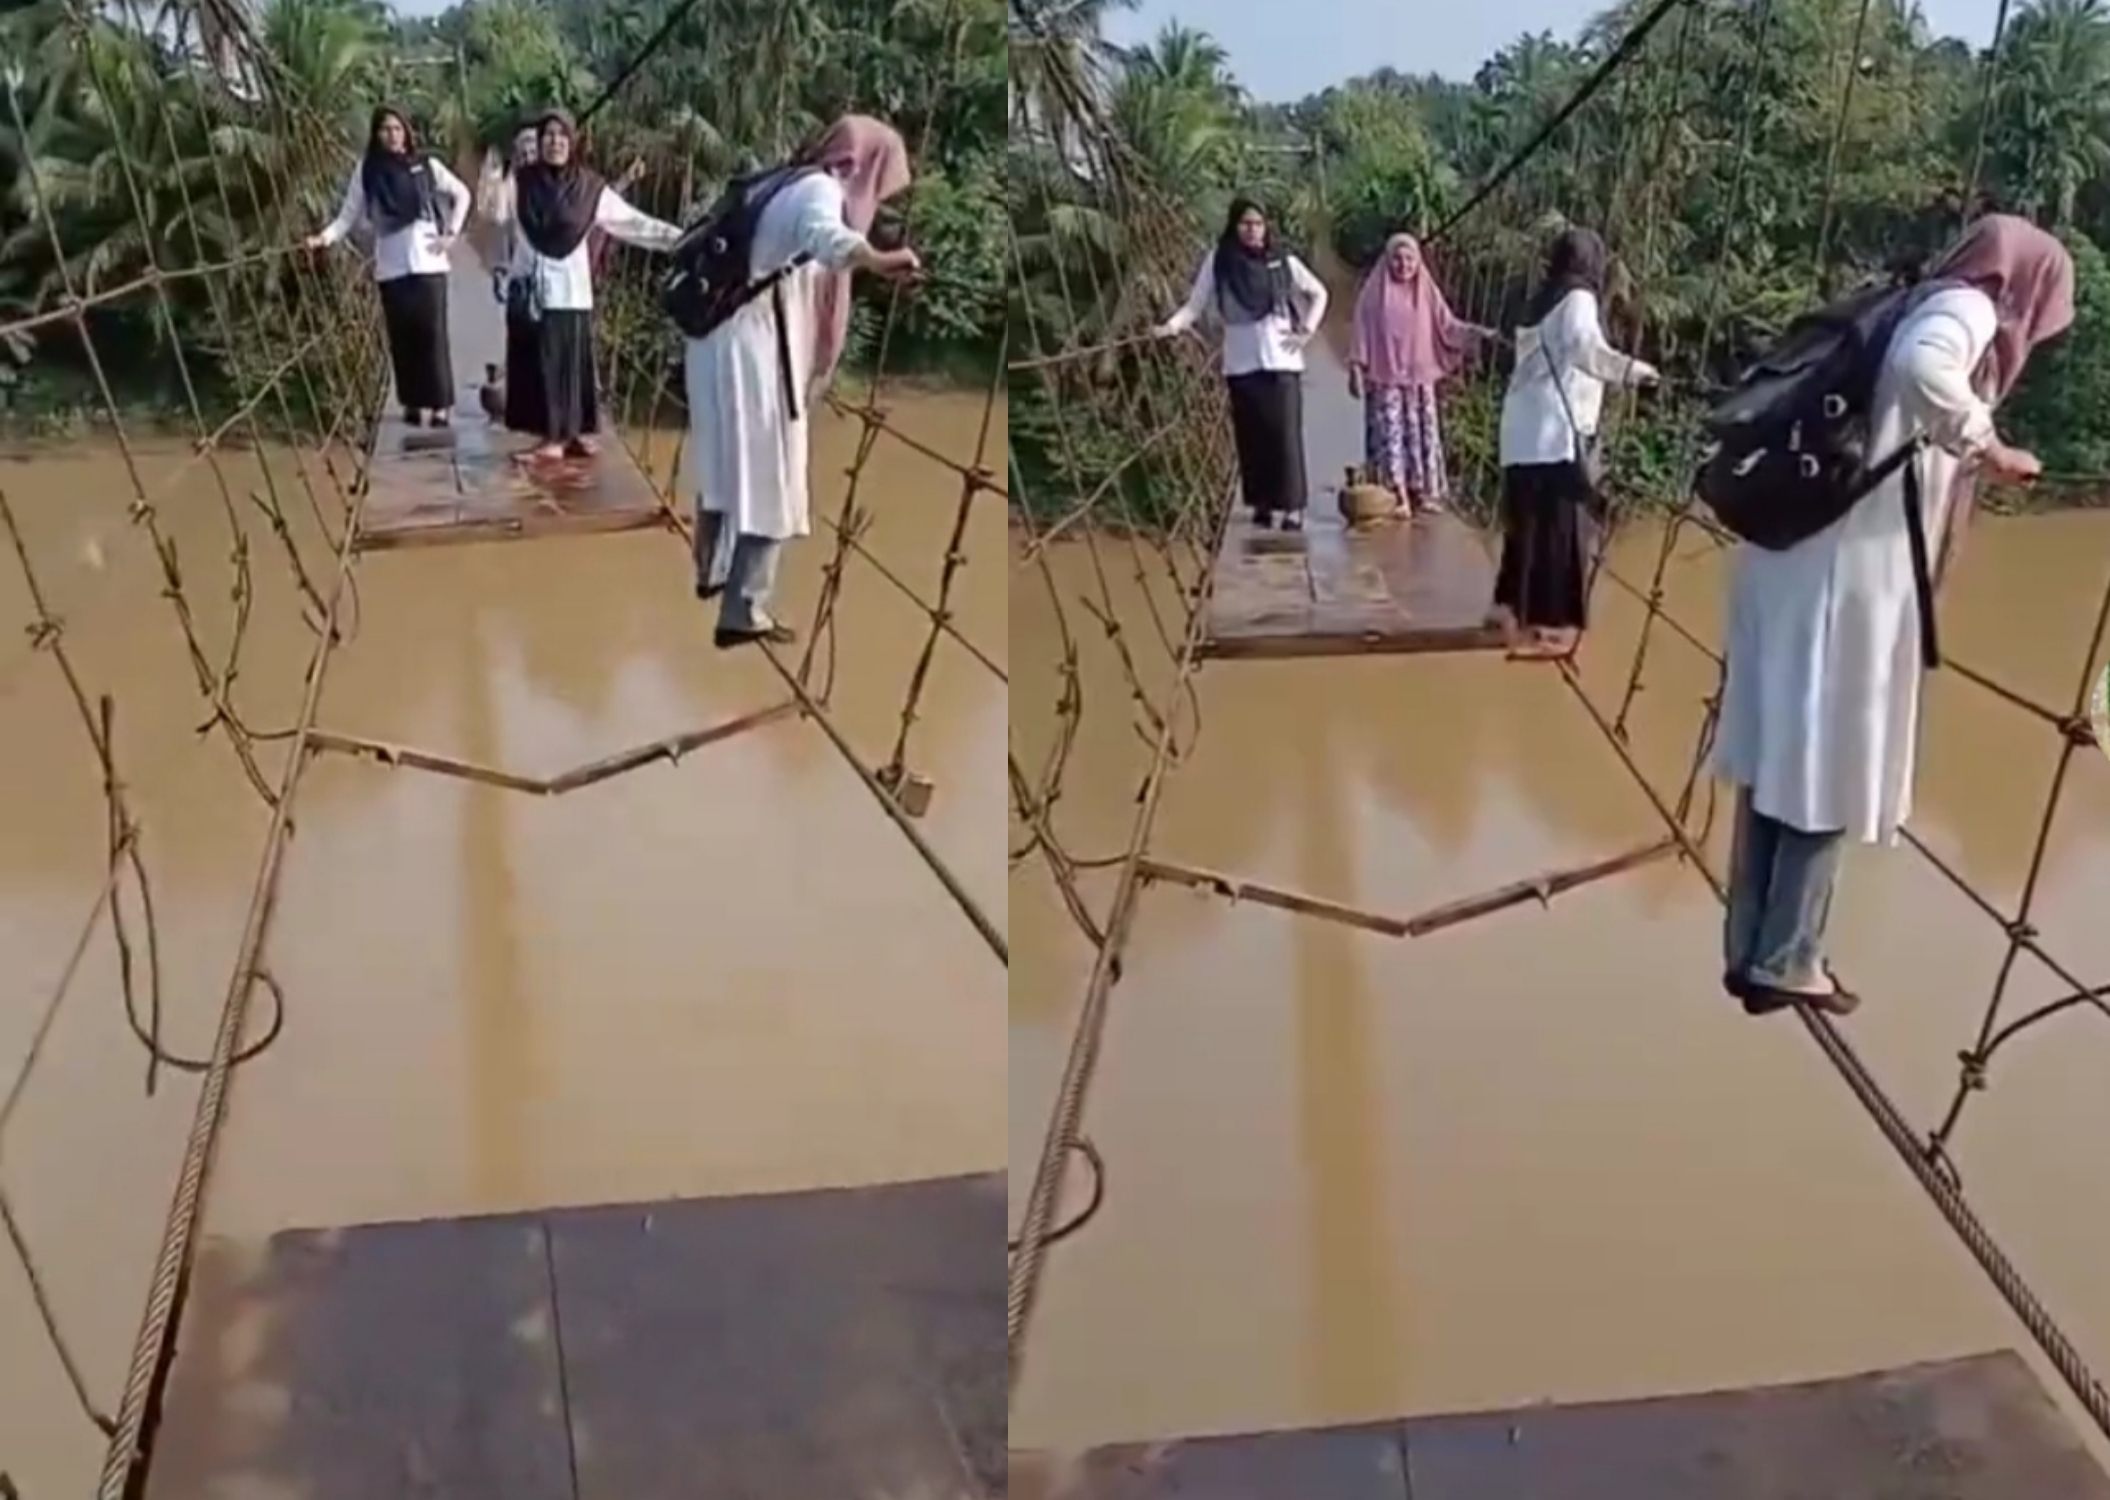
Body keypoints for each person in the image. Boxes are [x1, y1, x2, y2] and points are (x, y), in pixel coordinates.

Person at [1714, 215, 2073, 1019]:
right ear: (2024, 285)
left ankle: (1752, 949)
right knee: (1829, 761)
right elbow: (1923, 367)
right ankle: (1790, 958)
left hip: (1790, 560)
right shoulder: (1969, 309)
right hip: (1846, 576)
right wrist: (1987, 443)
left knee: (1779, 755)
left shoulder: (1910, 298)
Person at [685, 115, 922, 650]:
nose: (876, 198)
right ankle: (744, 610)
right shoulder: (819, 189)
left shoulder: (780, 180)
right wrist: (880, 260)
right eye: (880, 184)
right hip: (756, 352)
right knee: (777, 478)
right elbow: (829, 238)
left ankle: (710, 570)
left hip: (712, 343)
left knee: (723, 464)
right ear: (860, 166)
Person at [1491, 225, 1657, 659]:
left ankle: (1510, 609)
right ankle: (1551, 627)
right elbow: (1587, 350)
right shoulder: (1578, 297)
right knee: (1560, 531)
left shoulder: (1538, 301)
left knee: (1526, 526)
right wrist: (1638, 372)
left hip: (1520, 430)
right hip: (1553, 435)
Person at [486, 108, 681, 463]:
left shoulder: (591, 188)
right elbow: (494, 212)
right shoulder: (521, 182)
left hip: (572, 293)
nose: (555, 142)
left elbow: (633, 224)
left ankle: (571, 433)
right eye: (548, 136)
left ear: (573, 142)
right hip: (533, 293)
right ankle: (550, 438)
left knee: (573, 367)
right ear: (539, 142)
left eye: (562, 136)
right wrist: (497, 169)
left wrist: (678, 240)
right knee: (541, 366)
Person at [1154, 198, 1329, 532]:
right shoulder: (1219, 262)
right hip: (1241, 365)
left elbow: (1319, 293)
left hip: (1282, 363)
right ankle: (1262, 505)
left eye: (1258, 223)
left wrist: (1307, 329)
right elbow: (1195, 305)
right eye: (1246, 223)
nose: (1253, 230)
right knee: (1252, 441)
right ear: (1235, 226)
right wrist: (1170, 327)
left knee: (1285, 439)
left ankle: (1292, 509)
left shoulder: (1283, 262)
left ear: (1267, 227)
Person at [307, 106, 469, 428]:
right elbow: (347, 216)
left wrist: (451, 234)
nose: (393, 135)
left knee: (432, 336)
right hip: (392, 268)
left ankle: (439, 406)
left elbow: (463, 193)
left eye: (398, 129)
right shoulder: (367, 171)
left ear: (407, 132)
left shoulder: (426, 166)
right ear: (376, 134)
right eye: (386, 129)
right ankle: (411, 402)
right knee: (402, 338)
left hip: (429, 264)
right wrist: (323, 239)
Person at [1346, 232, 1492, 516]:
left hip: (1418, 381)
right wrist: (1355, 368)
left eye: (1410, 259)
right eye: (1398, 259)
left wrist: (1477, 335)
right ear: (1388, 261)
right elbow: (1360, 331)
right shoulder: (1373, 292)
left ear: (1418, 261)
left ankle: (1423, 492)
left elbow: (1447, 325)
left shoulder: (1426, 290)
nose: (1404, 265)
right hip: (1384, 377)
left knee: (1420, 434)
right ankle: (1396, 495)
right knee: (1390, 437)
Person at [478, 121, 548, 435]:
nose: (529, 156)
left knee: (551, 345)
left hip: (557, 280)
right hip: (521, 276)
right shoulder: (511, 186)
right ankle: (525, 412)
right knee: (521, 342)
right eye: (522, 152)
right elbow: (496, 220)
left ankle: (549, 411)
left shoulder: (560, 183)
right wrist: (498, 269)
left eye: (534, 149)